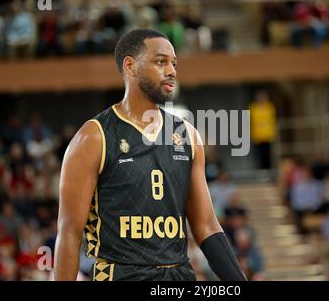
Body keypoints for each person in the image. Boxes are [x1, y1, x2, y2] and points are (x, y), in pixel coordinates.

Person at [54, 29, 246, 281]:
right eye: (160, 62)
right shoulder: (94, 137)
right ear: (130, 66)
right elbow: (69, 233)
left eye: (174, 63)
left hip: (178, 277)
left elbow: (206, 226)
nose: (172, 71)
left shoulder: (187, 135)